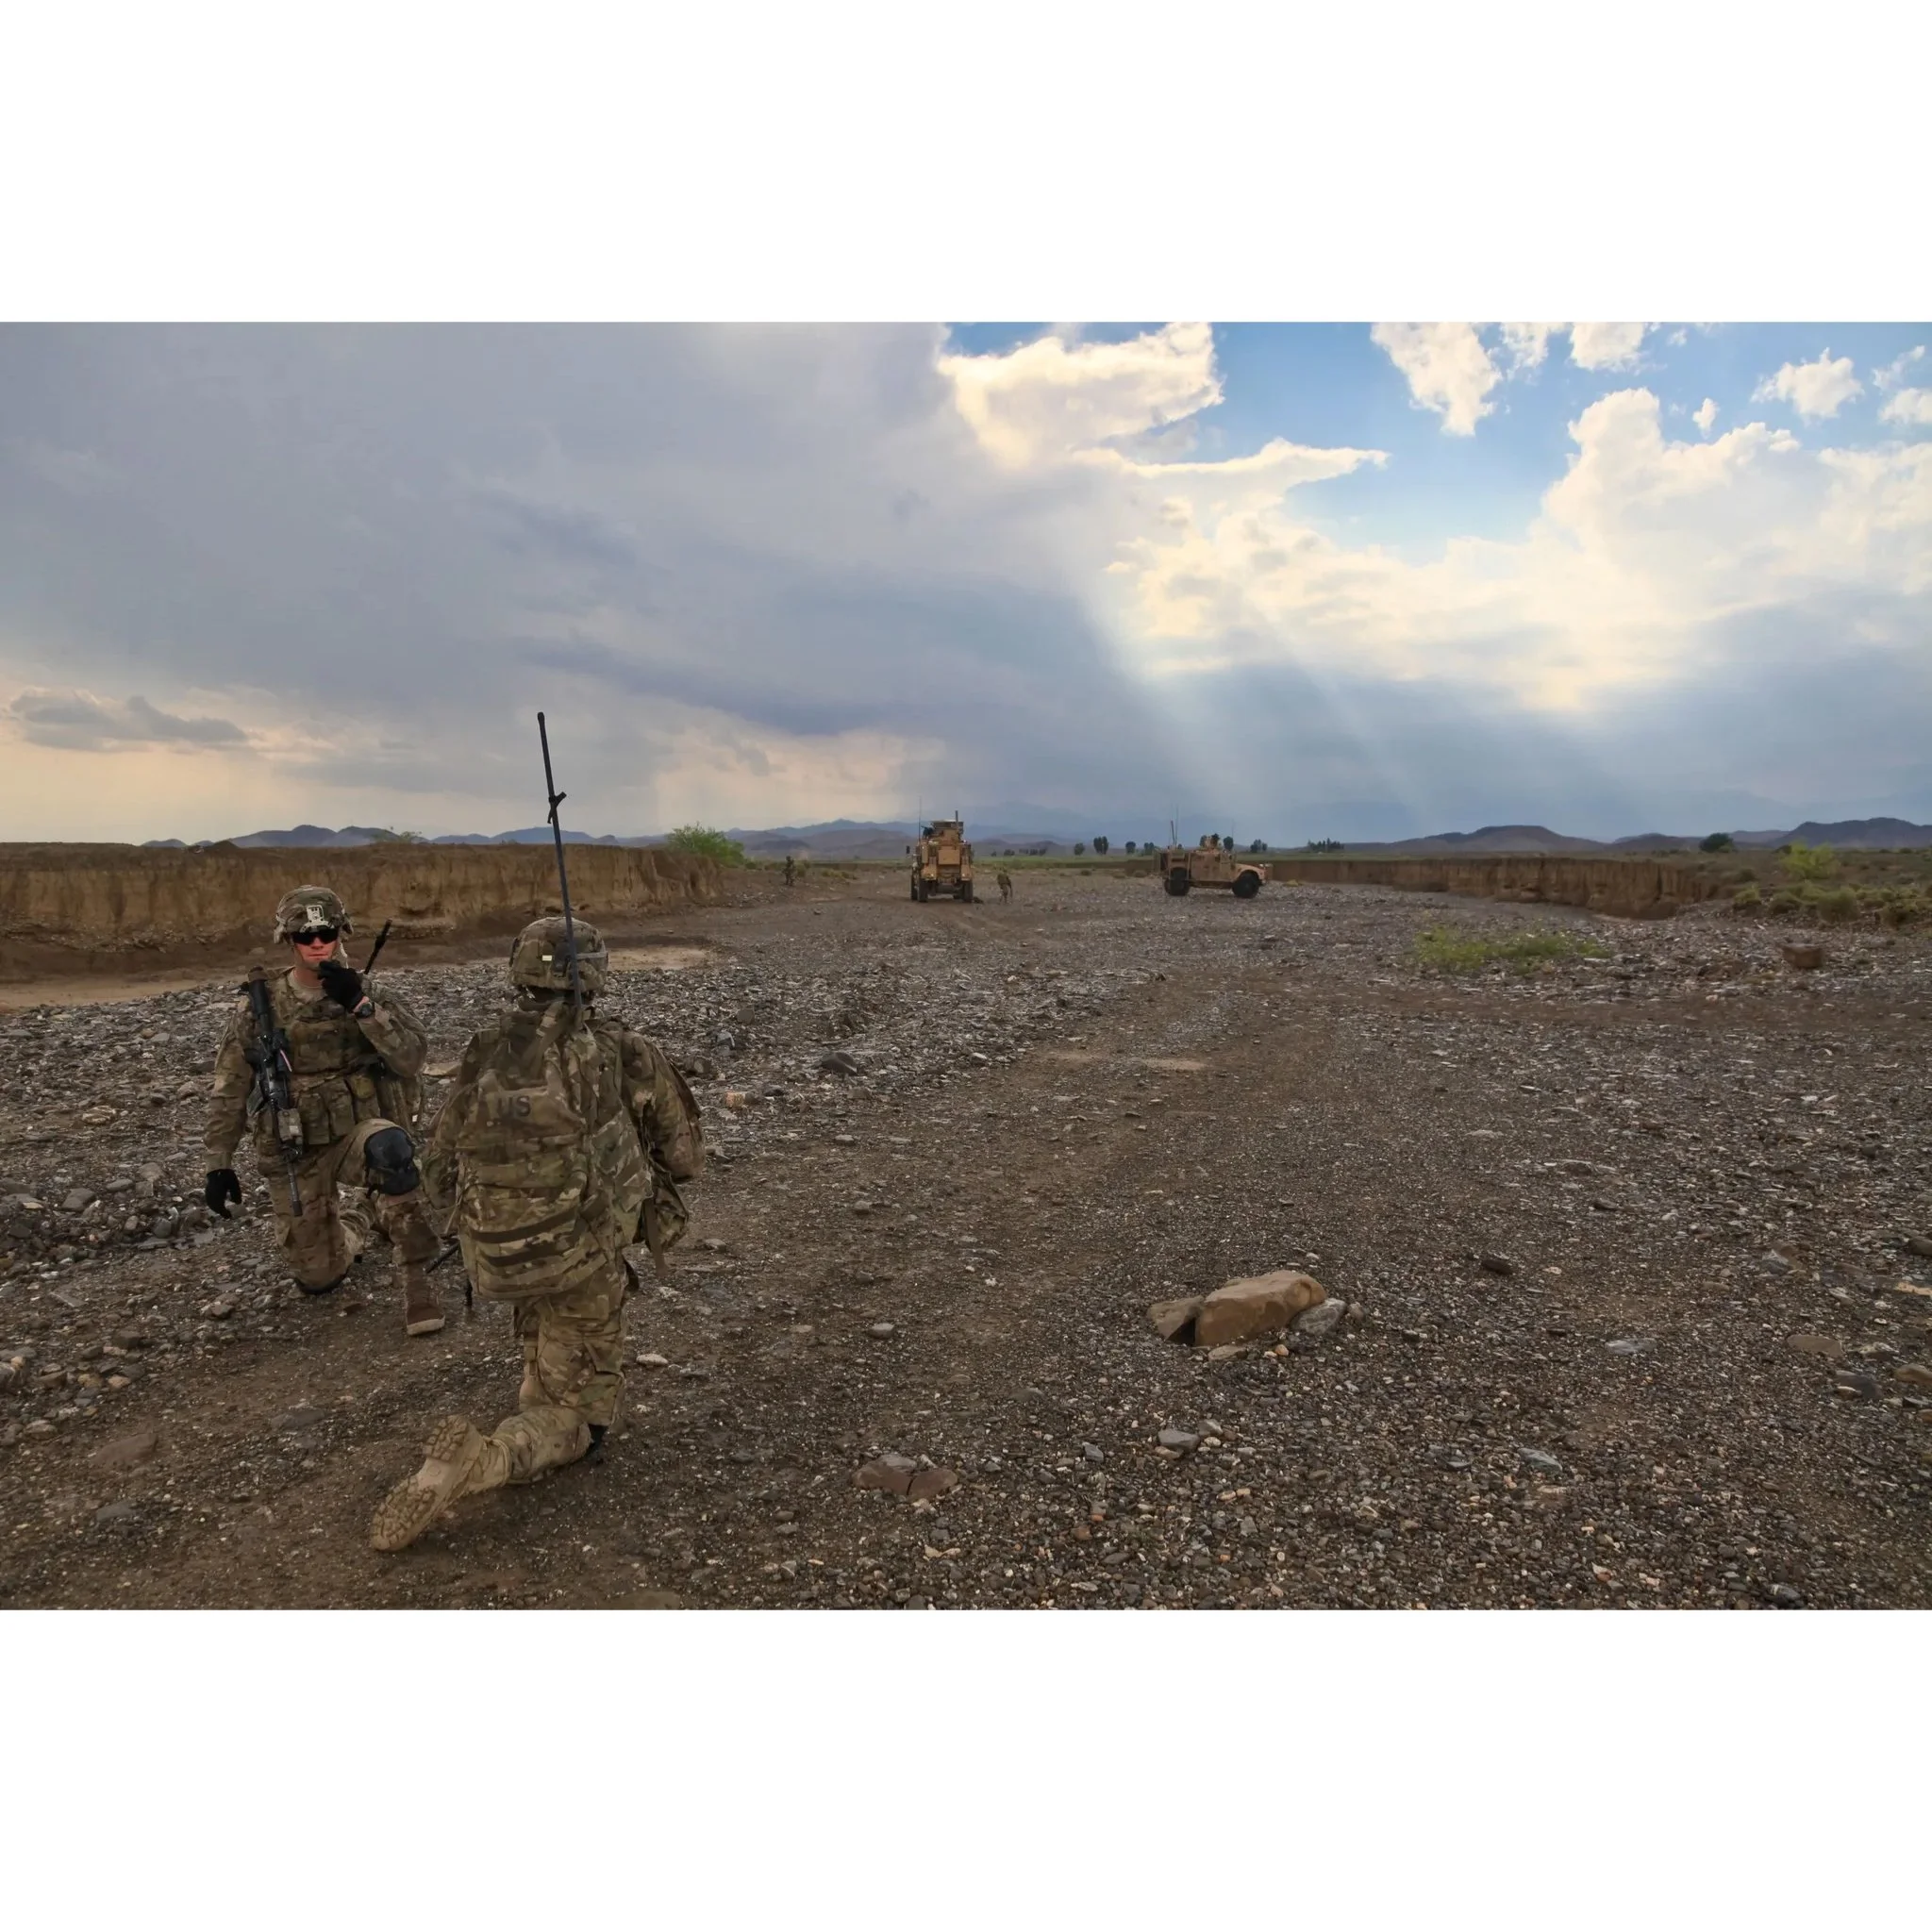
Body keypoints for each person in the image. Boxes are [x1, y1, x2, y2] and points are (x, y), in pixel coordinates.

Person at [369, 915, 703, 1553]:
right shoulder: (623, 1050)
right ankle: (486, 1460)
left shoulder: (486, 1051)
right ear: (595, 977)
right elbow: (684, 1157)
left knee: (546, 1332)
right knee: (582, 1418)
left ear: (519, 972)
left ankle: (539, 1387)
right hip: (584, 1255)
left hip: (497, 1253)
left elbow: (437, 1167)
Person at [203, 886, 444, 1336]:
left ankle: (418, 1283)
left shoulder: (368, 994)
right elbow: (230, 1086)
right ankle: (363, 1214)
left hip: (359, 1133)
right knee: (319, 1278)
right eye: (305, 936)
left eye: (326, 934)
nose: (317, 944)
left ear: (340, 934)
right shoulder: (260, 1007)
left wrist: (361, 1007)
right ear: (288, 940)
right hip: (297, 1147)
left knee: (392, 1151)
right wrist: (219, 1162)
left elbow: (412, 1058)